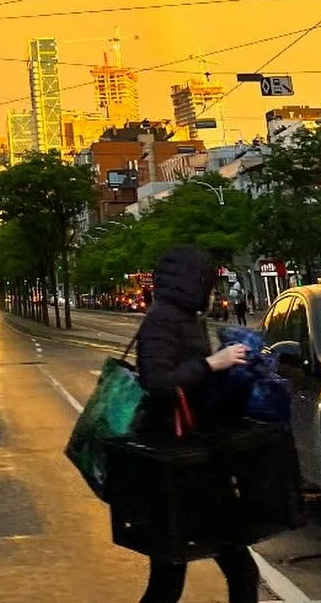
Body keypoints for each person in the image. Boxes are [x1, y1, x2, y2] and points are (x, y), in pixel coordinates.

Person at [132, 245, 255, 603]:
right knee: (187, 573)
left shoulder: (185, 317)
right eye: (207, 281)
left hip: (192, 459)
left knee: (175, 575)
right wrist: (212, 364)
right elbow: (156, 381)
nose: (211, 289)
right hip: (177, 464)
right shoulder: (164, 320)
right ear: (192, 281)